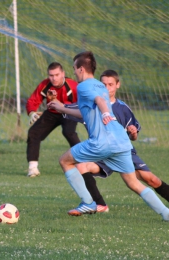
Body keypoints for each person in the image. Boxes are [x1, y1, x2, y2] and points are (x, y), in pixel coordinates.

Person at [47, 51, 169, 221]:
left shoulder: (83, 86)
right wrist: (62, 108)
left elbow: (99, 101)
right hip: (121, 141)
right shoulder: (99, 85)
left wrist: (105, 114)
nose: (73, 72)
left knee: (65, 161)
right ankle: (166, 213)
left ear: (81, 69)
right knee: (134, 183)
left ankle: (88, 202)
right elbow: (86, 112)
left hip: (101, 142)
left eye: (74, 68)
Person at [26, 62, 80, 177]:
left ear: (63, 74)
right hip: (52, 113)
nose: (54, 78)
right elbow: (33, 100)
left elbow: (81, 104)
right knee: (33, 133)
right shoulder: (45, 85)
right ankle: (33, 168)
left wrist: (66, 108)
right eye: (51, 75)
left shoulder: (73, 86)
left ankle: (84, 162)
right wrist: (31, 112)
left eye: (57, 74)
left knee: (69, 132)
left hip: (68, 112)